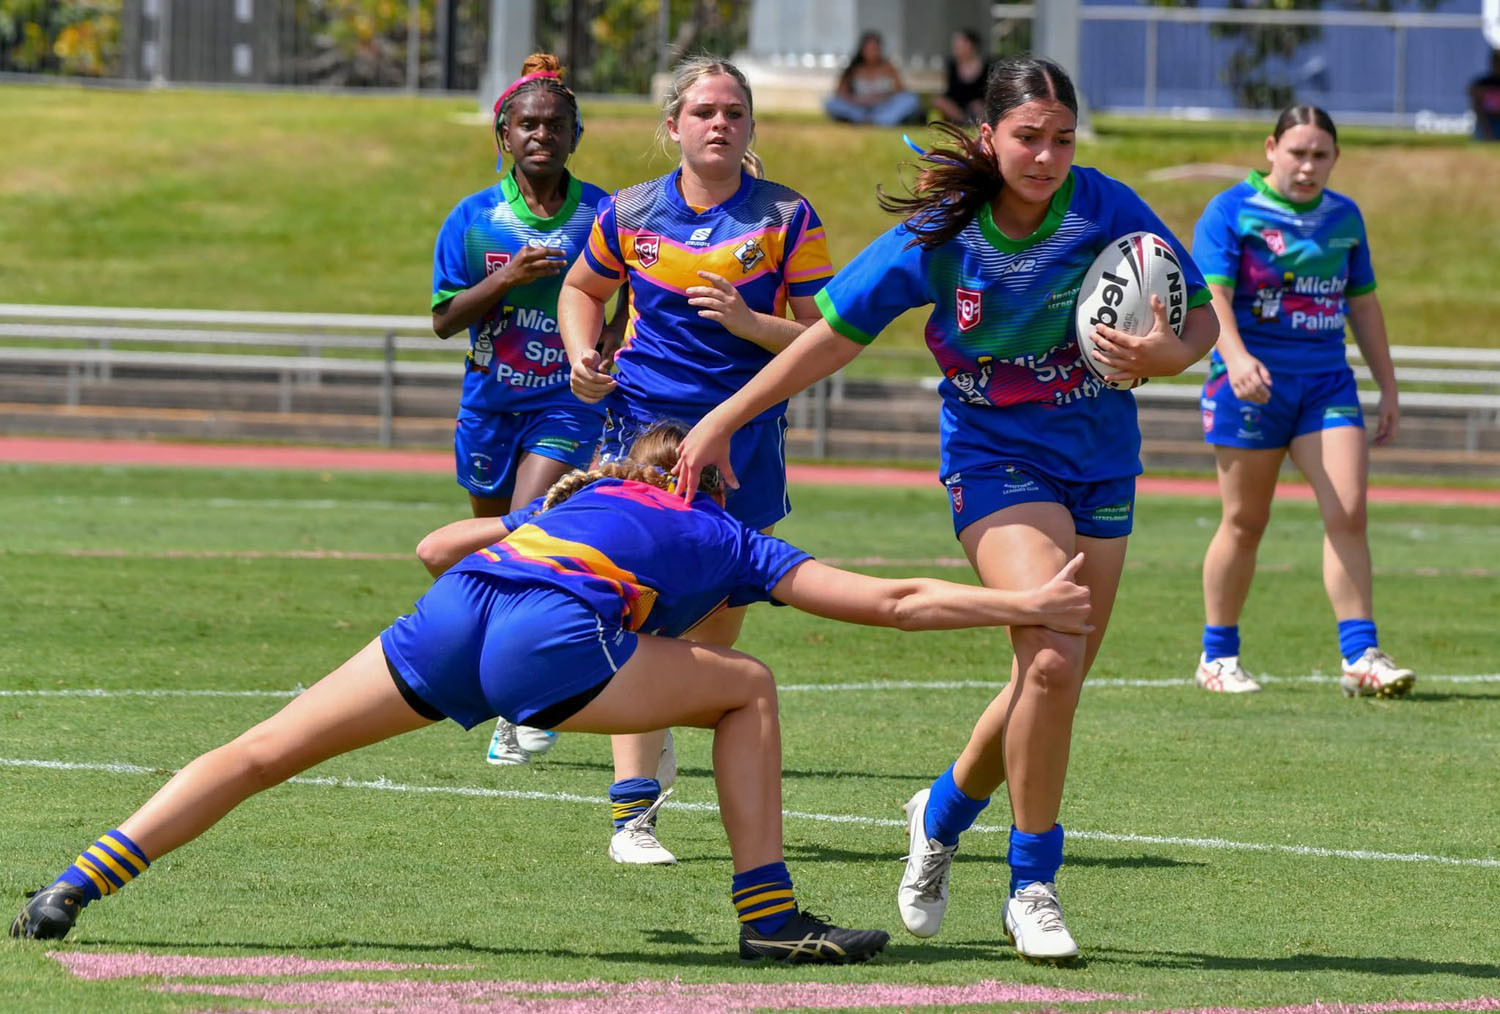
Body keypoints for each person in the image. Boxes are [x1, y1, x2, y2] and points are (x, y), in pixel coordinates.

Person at [10, 422, 1097, 968]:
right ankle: (768, 918)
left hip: (464, 605)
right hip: (543, 632)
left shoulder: (588, 497)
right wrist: (1024, 605)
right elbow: (892, 601)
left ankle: (72, 886)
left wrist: (544, 512)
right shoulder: (722, 531)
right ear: (698, 476)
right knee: (748, 685)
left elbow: (435, 545)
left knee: (262, 751)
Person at [672, 56, 1220, 964]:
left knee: (1055, 674)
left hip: (1101, 463)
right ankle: (1032, 884)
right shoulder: (940, 233)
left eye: (1062, 138)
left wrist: (1171, 354)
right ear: (990, 137)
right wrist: (727, 418)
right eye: (1027, 137)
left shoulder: (1107, 206)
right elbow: (827, 340)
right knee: (1050, 649)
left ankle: (942, 808)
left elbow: (1194, 313)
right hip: (996, 462)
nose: (1046, 156)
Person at [558, 56, 834, 866]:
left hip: (745, 440)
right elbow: (582, 291)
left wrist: (753, 326)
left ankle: (675, 726)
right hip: (643, 428)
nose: (721, 124)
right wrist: (582, 354)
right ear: (673, 124)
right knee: (639, 607)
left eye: (736, 113)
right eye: (706, 111)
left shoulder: (786, 216)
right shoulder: (630, 212)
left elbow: (825, 341)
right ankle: (632, 813)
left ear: (750, 127)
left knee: (716, 621)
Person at [428, 53, 621, 768]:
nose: (542, 135)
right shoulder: (475, 219)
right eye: (528, 124)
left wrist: (603, 353)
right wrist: (507, 278)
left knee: (532, 525)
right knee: (493, 551)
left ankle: (526, 705)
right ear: (504, 133)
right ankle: (503, 685)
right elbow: (445, 320)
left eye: (556, 125)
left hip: (566, 404)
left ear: (576, 133)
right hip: (488, 403)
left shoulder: (604, 213)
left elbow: (623, 304)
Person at [1190, 106, 1412, 699]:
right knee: (1245, 521)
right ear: (1271, 148)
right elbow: (1212, 295)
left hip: (1326, 384)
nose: (1308, 166)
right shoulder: (1230, 210)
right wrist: (1235, 360)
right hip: (1250, 385)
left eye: (1321, 155)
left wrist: (1387, 385)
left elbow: (1362, 305)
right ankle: (1217, 656)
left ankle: (1360, 656)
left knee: (1349, 511)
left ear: (1335, 159)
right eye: (1297, 152)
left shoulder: (1344, 217)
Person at [824, 30, 923, 127]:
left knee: (910, 99)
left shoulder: (888, 67)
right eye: (869, 48)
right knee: (831, 102)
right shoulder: (853, 69)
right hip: (859, 107)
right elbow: (840, 93)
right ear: (862, 49)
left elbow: (901, 91)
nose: (872, 52)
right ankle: (863, 119)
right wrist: (859, 100)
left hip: (883, 106)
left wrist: (882, 97)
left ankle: (879, 120)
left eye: (875, 48)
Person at [931, 29, 990, 125]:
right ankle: (965, 121)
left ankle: (976, 121)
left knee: (980, 106)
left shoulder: (986, 66)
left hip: (978, 106)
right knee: (939, 101)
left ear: (971, 45)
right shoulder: (952, 66)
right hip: (957, 107)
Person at [1469, 48, 1500, 142]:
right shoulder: (1481, 84)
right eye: (1496, 61)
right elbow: (1477, 109)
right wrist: (1487, 132)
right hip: (1488, 122)